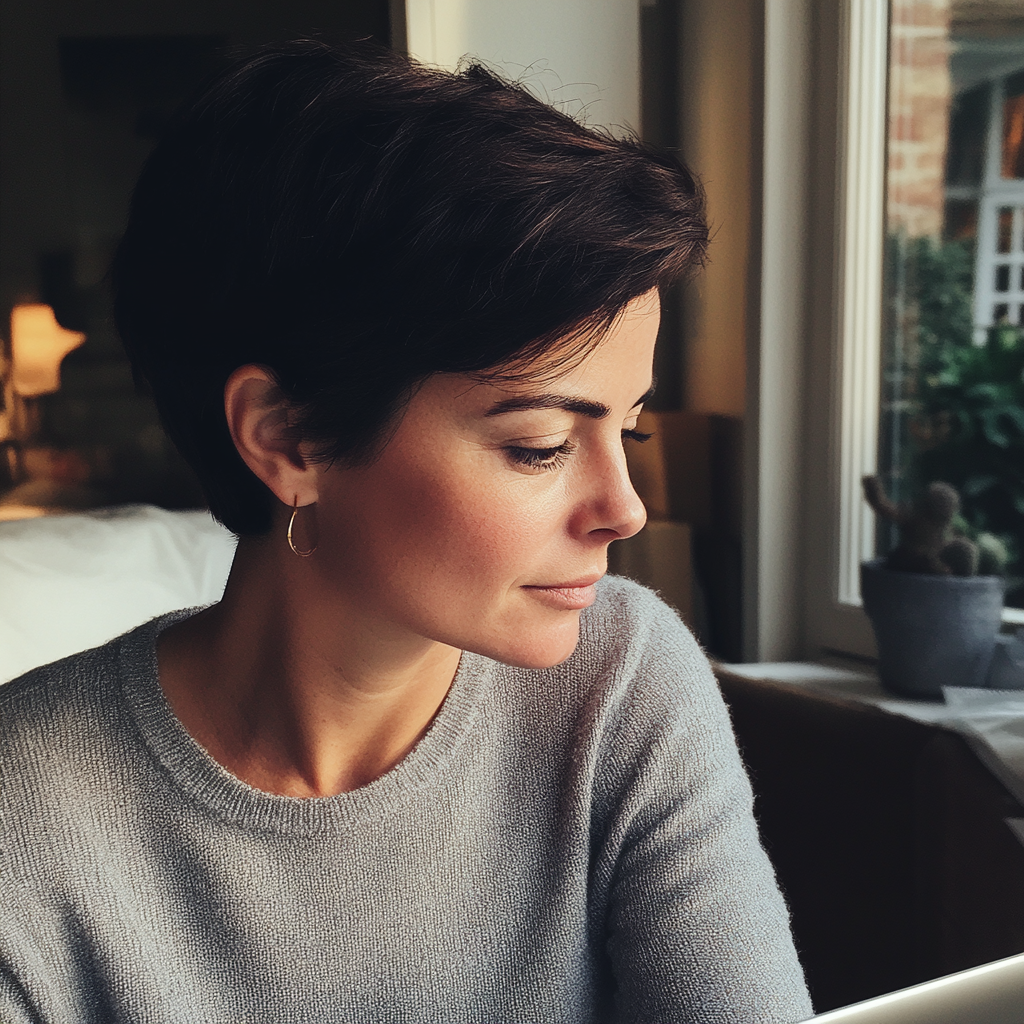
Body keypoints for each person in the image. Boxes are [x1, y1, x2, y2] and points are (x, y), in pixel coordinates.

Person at [0, 40, 813, 1024]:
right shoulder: (27, 811)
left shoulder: (622, 680)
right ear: (288, 436)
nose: (624, 508)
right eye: (541, 445)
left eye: (626, 425)